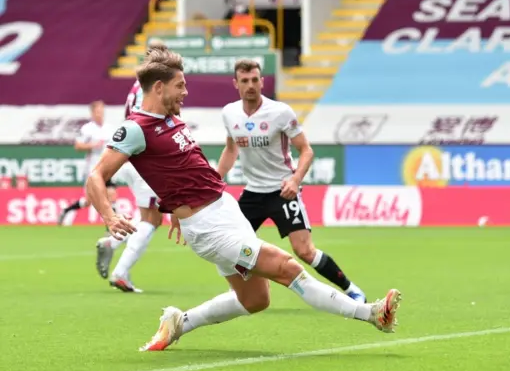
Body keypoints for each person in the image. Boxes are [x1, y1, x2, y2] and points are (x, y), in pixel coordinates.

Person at [85, 47, 401, 352]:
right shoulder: (135, 129)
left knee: (256, 299)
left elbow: (179, 169)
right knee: (286, 267)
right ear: (158, 87)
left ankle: (180, 323)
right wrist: (110, 216)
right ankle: (373, 314)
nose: (185, 92)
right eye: (180, 86)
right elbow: (95, 176)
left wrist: (176, 211)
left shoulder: (171, 118)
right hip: (209, 228)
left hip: (226, 209)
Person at [218, 59, 367, 303]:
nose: (250, 85)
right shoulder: (229, 113)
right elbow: (231, 150)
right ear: (236, 84)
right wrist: (215, 181)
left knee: (305, 251)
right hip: (252, 194)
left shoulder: (280, 112)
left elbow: (306, 150)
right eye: (244, 81)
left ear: (262, 81)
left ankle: (351, 289)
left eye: (255, 80)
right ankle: (247, 290)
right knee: (232, 248)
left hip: (282, 192)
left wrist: (295, 180)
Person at [94, 41, 168, 293]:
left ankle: (111, 244)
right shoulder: (157, 86)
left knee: (147, 215)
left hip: (129, 152)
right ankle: (121, 272)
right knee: (153, 218)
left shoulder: (138, 84)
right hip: (142, 156)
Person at [58, 100, 117, 227]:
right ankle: (66, 211)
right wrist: (92, 145)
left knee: (111, 194)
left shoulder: (110, 128)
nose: (100, 114)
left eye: (102, 111)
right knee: (89, 201)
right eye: (97, 111)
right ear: (92, 113)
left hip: (107, 166)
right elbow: (78, 146)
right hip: (93, 168)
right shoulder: (87, 129)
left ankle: (112, 226)